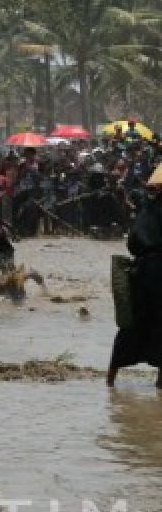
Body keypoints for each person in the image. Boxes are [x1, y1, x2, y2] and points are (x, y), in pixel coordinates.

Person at [107, 166, 162, 387]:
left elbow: (131, 243)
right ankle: (160, 382)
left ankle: (110, 379)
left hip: (140, 272)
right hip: (159, 273)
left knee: (131, 325)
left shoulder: (146, 210)